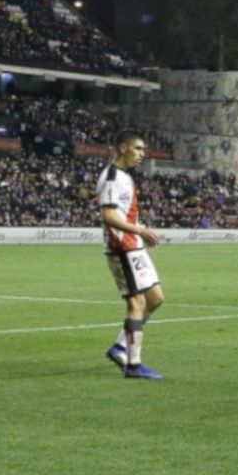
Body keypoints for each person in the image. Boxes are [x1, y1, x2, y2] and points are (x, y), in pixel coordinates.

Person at [98, 133, 165, 380]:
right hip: (121, 247)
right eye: (137, 148)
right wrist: (140, 230)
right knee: (136, 303)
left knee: (155, 299)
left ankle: (119, 346)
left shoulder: (124, 177)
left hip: (133, 245)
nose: (142, 153)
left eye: (143, 149)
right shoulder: (112, 177)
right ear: (122, 147)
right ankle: (133, 365)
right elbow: (109, 216)